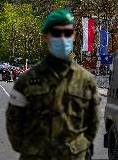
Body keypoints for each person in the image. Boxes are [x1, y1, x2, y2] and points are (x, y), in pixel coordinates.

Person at [6, 9, 100, 160]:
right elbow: (13, 123)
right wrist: (31, 150)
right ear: (46, 36)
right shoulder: (26, 80)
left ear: (74, 35)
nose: (63, 38)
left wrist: (78, 148)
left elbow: (93, 122)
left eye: (68, 33)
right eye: (56, 33)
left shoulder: (86, 80)